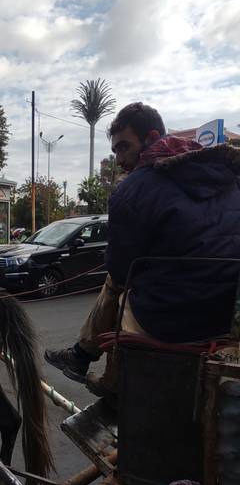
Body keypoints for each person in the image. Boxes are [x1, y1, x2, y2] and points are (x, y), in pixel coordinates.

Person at [45, 102, 240, 396]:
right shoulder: (227, 177)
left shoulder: (133, 189)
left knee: (117, 283)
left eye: (123, 148)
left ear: (151, 138)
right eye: (114, 152)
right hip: (227, 312)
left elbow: (121, 269)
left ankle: (93, 363)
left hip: (169, 318)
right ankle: (81, 356)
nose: (119, 159)